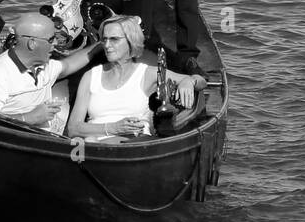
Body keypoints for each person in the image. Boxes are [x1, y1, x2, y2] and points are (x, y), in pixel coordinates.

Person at [67, 15, 206, 141]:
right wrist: (113, 128)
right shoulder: (91, 76)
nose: (107, 45)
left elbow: (200, 81)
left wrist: (189, 81)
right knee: (85, 142)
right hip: (95, 147)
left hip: (134, 146)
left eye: (114, 39)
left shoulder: (147, 74)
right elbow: (73, 128)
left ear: (131, 41)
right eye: (104, 39)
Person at [0, 11, 103, 134]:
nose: (56, 43)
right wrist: (29, 118)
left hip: (43, 140)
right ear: (32, 43)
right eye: (51, 39)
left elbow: (69, 65)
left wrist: (101, 45)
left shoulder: (44, 66)